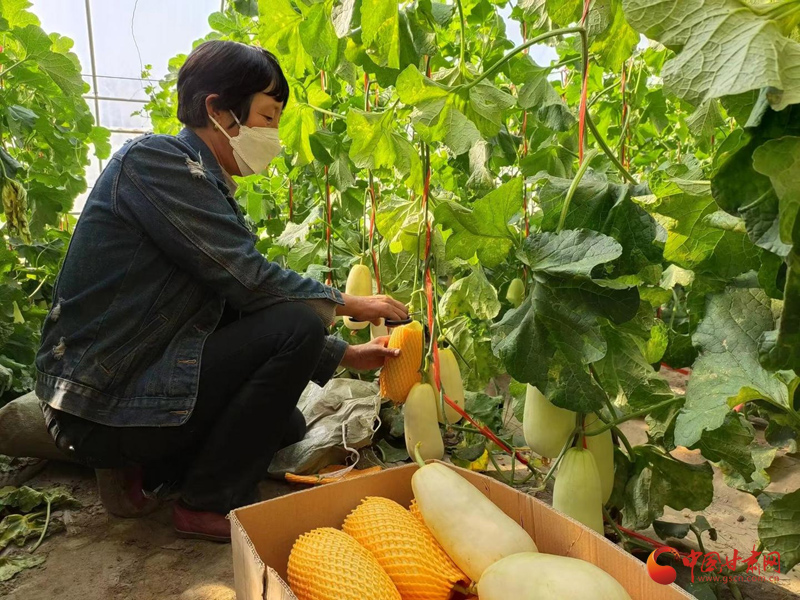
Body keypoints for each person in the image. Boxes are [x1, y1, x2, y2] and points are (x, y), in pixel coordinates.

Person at [34, 40, 408, 542]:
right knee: (297, 322)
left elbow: (232, 306)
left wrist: (346, 355)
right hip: (102, 403)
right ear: (218, 109)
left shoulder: (204, 186)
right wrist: (347, 303)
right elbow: (247, 279)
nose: (272, 133)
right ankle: (202, 503)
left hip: (140, 381)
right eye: (267, 116)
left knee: (286, 427)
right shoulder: (156, 161)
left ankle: (151, 471)